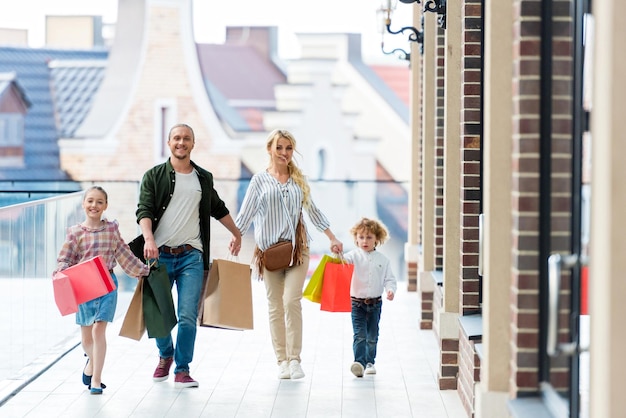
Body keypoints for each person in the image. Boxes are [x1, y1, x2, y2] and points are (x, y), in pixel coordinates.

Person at [229, 129, 343, 380]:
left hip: (296, 250)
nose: (284, 153)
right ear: (270, 148)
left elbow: (313, 211)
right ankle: (281, 360)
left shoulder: (298, 180)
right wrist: (236, 236)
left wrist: (332, 237)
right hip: (269, 253)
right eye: (279, 147)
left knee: (291, 300)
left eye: (288, 148)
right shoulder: (259, 180)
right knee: (274, 306)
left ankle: (295, 360)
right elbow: (246, 212)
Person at [136, 123, 242, 389]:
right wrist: (149, 239)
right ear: (169, 143)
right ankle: (166, 354)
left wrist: (237, 233)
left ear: (193, 144)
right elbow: (144, 210)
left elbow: (217, 207)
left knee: (187, 316)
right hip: (158, 256)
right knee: (157, 313)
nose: (181, 142)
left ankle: (182, 369)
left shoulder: (203, 178)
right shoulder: (153, 175)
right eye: (176, 138)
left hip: (191, 256)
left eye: (186, 139)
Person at [54, 186, 150, 395]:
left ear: (105, 205)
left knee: (99, 330)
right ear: (83, 204)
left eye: (99, 202)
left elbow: (124, 253)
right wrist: (60, 272)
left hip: (107, 285)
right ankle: (91, 363)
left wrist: (142, 270)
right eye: (90, 201)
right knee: (87, 339)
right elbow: (65, 258)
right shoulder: (75, 232)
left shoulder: (111, 230)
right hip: (83, 287)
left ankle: (96, 380)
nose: (94, 205)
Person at [342, 217, 397, 378]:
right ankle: (359, 362)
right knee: (359, 334)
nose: (364, 241)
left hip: (375, 304)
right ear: (356, 239)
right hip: (356, 303)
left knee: (372, 335)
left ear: (377, 239)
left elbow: (389, 279)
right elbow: (343, 262)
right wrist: (338, 254)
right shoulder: (353, 256)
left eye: (369, 237)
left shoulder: (383, 260)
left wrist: (390, 290)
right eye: (361, 237)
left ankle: (370, 362)